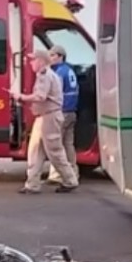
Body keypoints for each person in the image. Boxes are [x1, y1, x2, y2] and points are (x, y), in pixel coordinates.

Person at [11, 50, 79, 194]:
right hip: (45, 117)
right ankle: (32, 184)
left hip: (49, 117)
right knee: (35, 151)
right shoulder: (46, 75)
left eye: (33, 60)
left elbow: (40, 97)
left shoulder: (44, 76)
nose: (30, 63)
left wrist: (21, 97)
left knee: (54, 151)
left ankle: (70, 179)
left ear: (41, 61)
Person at [46, 44, 80, 184]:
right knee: (68, 144)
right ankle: (73, 172)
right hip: (72, 111)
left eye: (53, 55)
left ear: (60, 56)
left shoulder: (58, 72)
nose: (50, 58)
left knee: (56, 144)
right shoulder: (69, 70)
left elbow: (55, 92)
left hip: (62, 111)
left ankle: (58, 175)